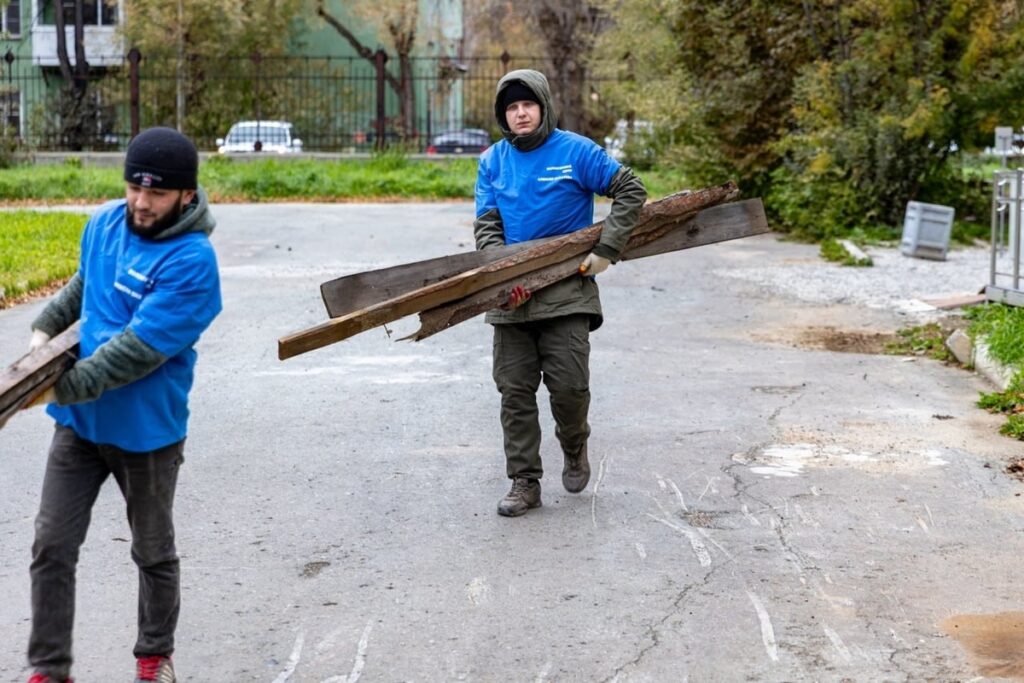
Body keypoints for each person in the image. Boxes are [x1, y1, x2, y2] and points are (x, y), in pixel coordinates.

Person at [22, 127, 222, 683]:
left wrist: (54, 387)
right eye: (134, 186)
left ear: (186, 195)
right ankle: (49, 667)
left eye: (156, 193)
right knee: (51, 544)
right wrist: (44, 333)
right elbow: (84, 286)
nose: (141, 201)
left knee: (152, 550)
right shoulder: (105, 223)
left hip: (147, 431)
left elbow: (135, 354)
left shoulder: (193, 262)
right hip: (80, 426)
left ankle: (153, 657)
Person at [474, 70, 647, 517]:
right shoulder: (493, 160)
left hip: (568, 291)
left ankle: (574, 446)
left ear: (544, 106)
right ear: (503, 115)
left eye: (527, 104)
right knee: (514, 392)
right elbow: (488, 226)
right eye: (511, 107)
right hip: (513, 297)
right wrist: (501, 273)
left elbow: (630, 189)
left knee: (569, 389)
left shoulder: (575, 151)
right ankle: (524, 482)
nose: (520, 113)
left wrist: (608, 249)